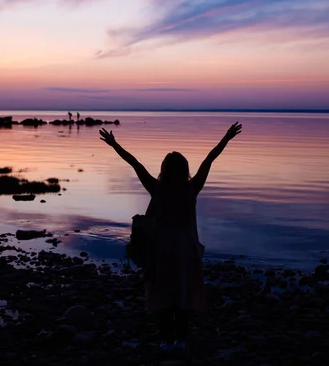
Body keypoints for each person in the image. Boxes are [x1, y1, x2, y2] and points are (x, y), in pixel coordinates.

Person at [99, 122, 243, 350]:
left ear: (164, 169)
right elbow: (209, 160)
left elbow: (134, 163)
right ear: (184, 169)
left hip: (161, 249)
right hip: (186, 249)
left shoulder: (156, 188)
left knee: (163, 293)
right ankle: (181, 339)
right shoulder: (192, 188)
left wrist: (114, 144)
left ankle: (166, 339)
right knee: (183, 293)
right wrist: (226, 138)